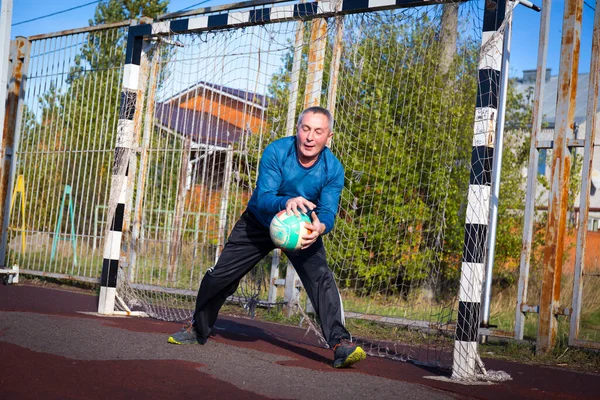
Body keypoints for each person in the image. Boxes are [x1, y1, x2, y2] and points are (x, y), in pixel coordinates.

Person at [168, 106, 366, 368]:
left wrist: (320, 228)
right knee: (220, 277)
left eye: (318, 131)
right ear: (297, 130)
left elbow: (328, 212)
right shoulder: (276, 151)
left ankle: (341, 343)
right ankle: (197, 328)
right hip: (259, 223)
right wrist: (288, 202)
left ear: (328, 137)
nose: (309, 137)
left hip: (302, 229)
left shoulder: (333, 169)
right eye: (305, 129)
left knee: (322, 278)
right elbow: (263, 198)